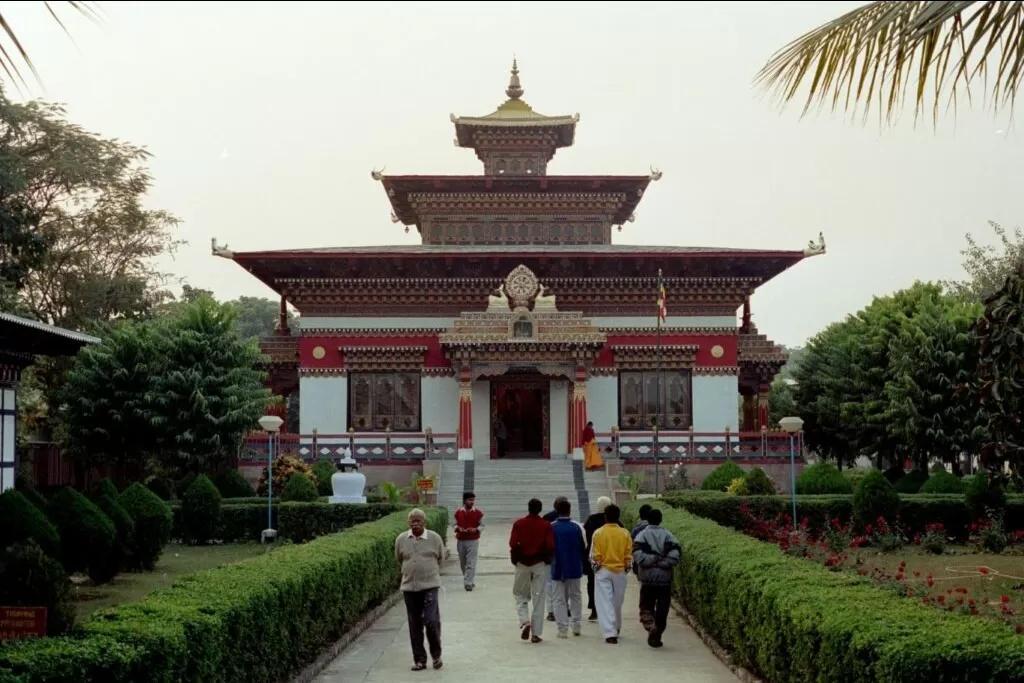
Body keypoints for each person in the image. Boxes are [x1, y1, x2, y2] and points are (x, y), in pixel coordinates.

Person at [394, 508, 445, 671]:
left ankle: (436, 656)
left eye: (418, 521)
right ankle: (420, 660)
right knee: (414, 624)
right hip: (409, 587)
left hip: (430, 586)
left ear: (424, 522)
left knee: (430, 620)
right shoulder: (402, 539)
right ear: (409, 523)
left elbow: (440, 558)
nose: (415, 524)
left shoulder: (434, 538)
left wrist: (430, 573)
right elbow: (399, 559)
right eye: (412, 521)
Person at [632, 508, 681, 648]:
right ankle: (657, 632)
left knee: (646, 608)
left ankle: (651, 628)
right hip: (664, 579)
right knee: (662, 609)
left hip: (647, 579)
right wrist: (661, 562)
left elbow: (638, 556)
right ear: (660, 520)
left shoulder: (641, 536)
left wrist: (651, 561)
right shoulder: (668, 535)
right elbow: (674, 556)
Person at [509, 497, 555, 643]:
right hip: (539, 563)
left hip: (522, 562)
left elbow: (513, 543)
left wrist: (515, 558)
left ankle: (524, 620)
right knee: (539, 597)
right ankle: (536, 633)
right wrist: (547, 559)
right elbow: (550, 546)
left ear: (528, 508)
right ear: (540, 509)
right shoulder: (546, 525)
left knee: (519, 593)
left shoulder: (519, 524)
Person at [590, 503, 633, 644]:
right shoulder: (625, 533)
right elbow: (628, 555)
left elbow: (594, 555)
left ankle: (610, 632)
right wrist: (626, 568)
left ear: (605, 516)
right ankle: (617, 627)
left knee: (604, 602)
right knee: (617, 602)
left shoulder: (598, 533)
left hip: (603, 570)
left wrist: (596, 569)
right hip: (620, 571)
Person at [549, 497, 587, 638]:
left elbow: (548, 548)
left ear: (556, 511)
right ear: (570, 510)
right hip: (575, 567)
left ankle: (562, 629)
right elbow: (584, 547)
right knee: (576, 596)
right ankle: (576, 625)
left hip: (557, 567)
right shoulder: (577, 527)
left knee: (559, 599)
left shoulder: (551, 527)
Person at [582, 496, 622, 621]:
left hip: (594, 559)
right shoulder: (617, 523)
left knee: (592, 584)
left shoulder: (591, 520)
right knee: (610, 586)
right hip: (612, 560)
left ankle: (594, 609)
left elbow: (586, 539)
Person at [454, 491, 484, 591]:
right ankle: (469, 579)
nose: (472, 502)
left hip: (473, 540)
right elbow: (454, 524)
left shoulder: (478, 513)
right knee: (463, 562)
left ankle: (468, 583)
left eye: (473, 500)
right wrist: (458, 528)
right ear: (464, 500)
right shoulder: (458, 513)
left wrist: (476, 529)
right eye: (470, 500)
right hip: (461, 540)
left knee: (471, 562)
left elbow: (482, 525)